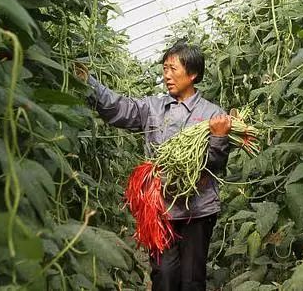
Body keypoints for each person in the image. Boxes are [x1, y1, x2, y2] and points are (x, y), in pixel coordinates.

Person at [75, 40, 231, 291]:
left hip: (197, 210)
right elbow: (118, 108)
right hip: (160, 209)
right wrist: (89, 83)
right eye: (164, 69)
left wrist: (220, 137)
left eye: (173, 69)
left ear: (192, 74)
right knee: (163, 276)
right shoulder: (153, 108)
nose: (166, 75)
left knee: (192, 280)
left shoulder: (213, 115)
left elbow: (216, 164)